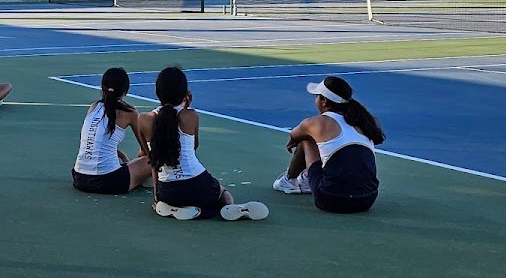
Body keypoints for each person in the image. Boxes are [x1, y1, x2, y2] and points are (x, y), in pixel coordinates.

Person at [137, 66, 267, 221]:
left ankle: (172, 207)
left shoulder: (143, 119)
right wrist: (187, 106)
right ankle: (228, 205)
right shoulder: (190, 116)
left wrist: (158, 195)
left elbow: (152, 160)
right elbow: (194, 147)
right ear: (185, 94)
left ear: (157, 93)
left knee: (172, 198)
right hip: (198, 185)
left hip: (168, 191)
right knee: (222, 191)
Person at [274, 76, 384, 214]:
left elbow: (295, 135)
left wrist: (296, 139)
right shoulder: (362, 124)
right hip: (367, 200)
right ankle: (308, 178)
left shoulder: (314, 123)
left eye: (317, 97)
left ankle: (289, 181)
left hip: (330, 200)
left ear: (324, 101)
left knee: (307, 137)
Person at [72, 67, 153, 194]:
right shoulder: (129, 111)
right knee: (154, 160)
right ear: (125, 91)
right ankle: (145, 178)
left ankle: (137, 175)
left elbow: (95, 143)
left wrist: (122, 156)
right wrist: (136, 164)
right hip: (108, 182)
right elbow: (145, 149)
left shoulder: (93, 107)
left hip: (79, 178)